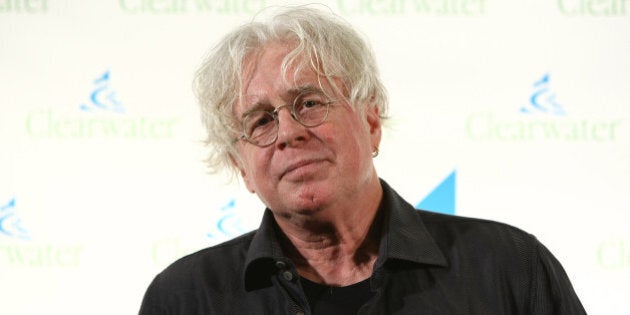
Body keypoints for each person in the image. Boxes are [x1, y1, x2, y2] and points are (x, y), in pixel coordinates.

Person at [139, 6, 585, 314]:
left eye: (310, 103)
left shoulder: (507, 268)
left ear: (371, 119)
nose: (289, 132)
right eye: (259, 121)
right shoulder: (183, 299)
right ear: (241, 167)